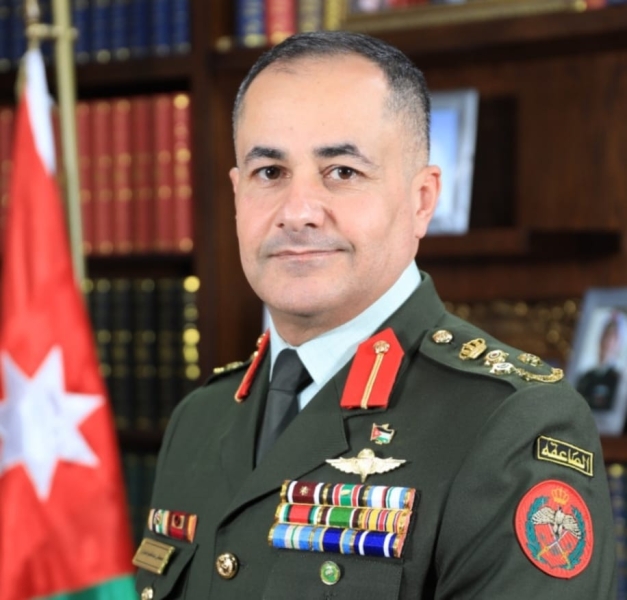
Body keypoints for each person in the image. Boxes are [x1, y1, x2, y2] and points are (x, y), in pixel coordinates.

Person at [134, 31, 616, 599]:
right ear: (238, 194)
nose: (297, 212)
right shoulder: (199, 418)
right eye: (270, 173)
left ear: (422, 200)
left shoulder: (514, 423)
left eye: (342, 171)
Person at [576, 312, 623, 411]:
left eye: (612, 338)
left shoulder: (618, 379)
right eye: (605, 336)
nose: (607, 342)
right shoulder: (586, 377)